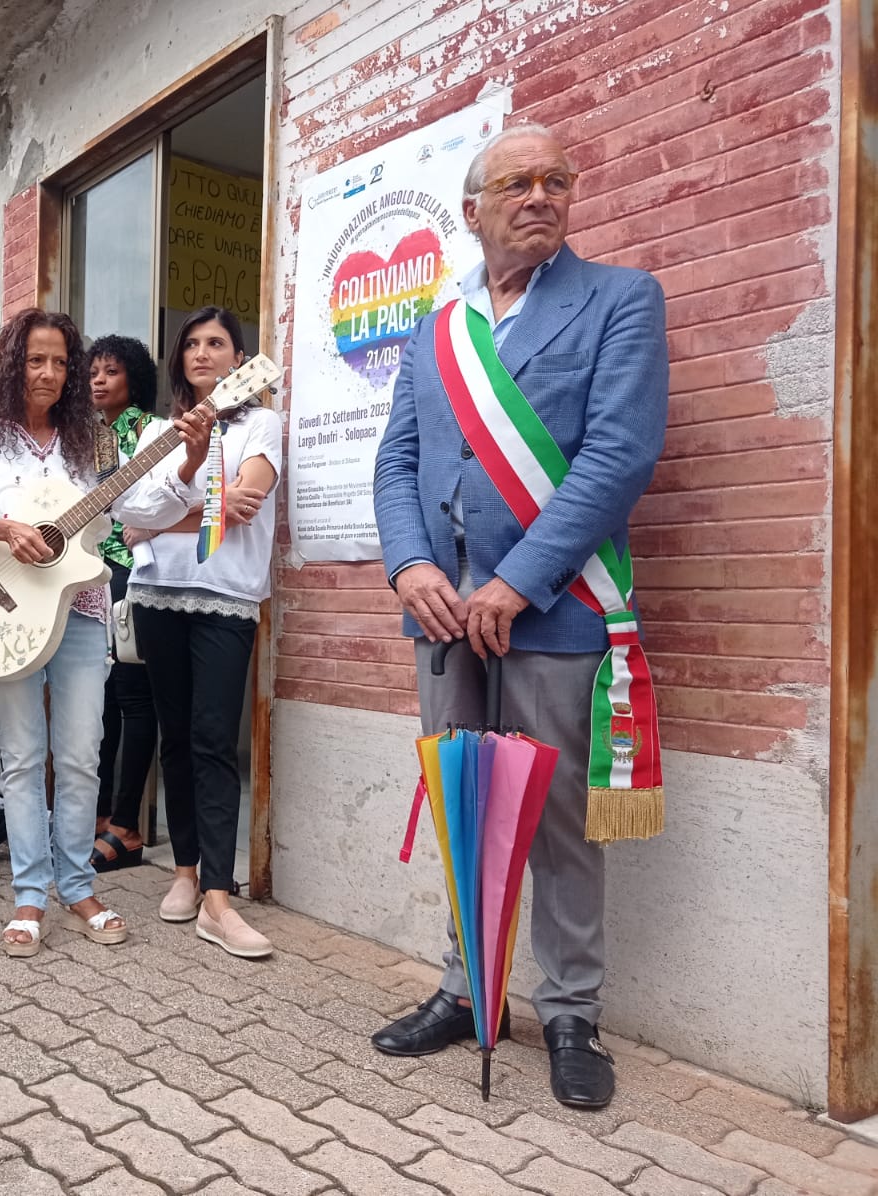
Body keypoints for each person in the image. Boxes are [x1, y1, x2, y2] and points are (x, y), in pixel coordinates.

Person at [370, 122, 669, 1110]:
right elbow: (398, 461)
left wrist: (521, 578)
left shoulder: (620, 300)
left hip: (553, 609)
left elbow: (618, 455)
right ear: (472, 209)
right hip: (445, 614)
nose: (540, 195)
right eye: (517, 182)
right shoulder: (435, 324)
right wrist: (411, 564)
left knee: (562, 825)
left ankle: (571, 1010)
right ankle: (467, 990)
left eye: (556, 179)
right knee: (466, 809)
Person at [0, 308, 202, 956]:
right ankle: (28, 894)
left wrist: (186, 464)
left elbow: (140, 510)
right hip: (8, 616)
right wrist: (1, 529)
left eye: (60, 362)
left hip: (77, 614)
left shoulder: (95, 444)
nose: (48, 373)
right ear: (13, 365)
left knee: (79, 757)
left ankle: (77, 887)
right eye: (35, 359)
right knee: (22, 760)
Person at [116, 307, 282, 960]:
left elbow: (246, 504)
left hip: (224, 599)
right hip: (158, 597)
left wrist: (165, 516)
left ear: (239, 361)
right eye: (193, 343)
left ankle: (219, 896)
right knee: (176, 739)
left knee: (215, 740)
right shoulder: (157, 432)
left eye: (218, 343)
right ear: (179, 359)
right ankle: (185, 871)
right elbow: (125, 519)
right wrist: (187, 467)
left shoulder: (261, 423)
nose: (204, 353)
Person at [86, 334, 159, 872]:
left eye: (110, 372)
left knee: (134, 699)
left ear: (133, 377)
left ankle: (128, 825)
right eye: (92, 372)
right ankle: (99, 811)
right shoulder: (86, 433)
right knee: (102, 700)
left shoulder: (147, 431)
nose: (98, 380)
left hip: (131, 574)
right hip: (88, 574)